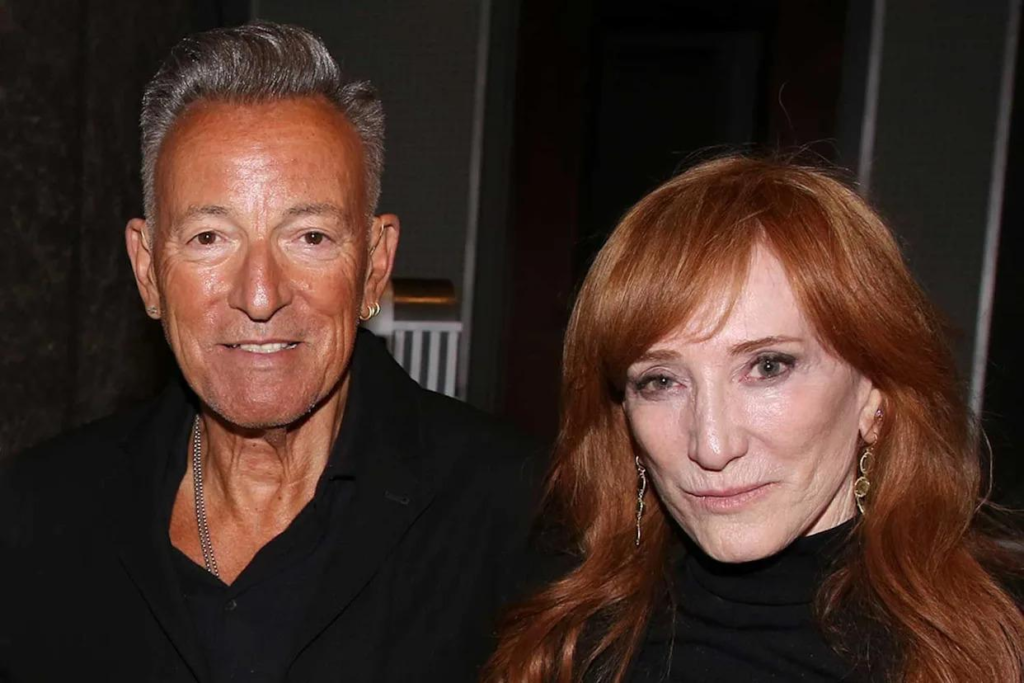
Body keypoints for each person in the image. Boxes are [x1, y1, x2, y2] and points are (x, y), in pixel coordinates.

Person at [0, 22, 538, 682]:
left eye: (310, 236)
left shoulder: (518, 520)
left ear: (374, 267)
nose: (259, 296)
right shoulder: (40, 514)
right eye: (209, 237)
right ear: (147, 271)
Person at [485, 156, 1024, 682]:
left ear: (874, 393)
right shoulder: (558, 644)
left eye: (768, 366)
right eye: (661, 381)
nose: (712, 446)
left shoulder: (997, 646)